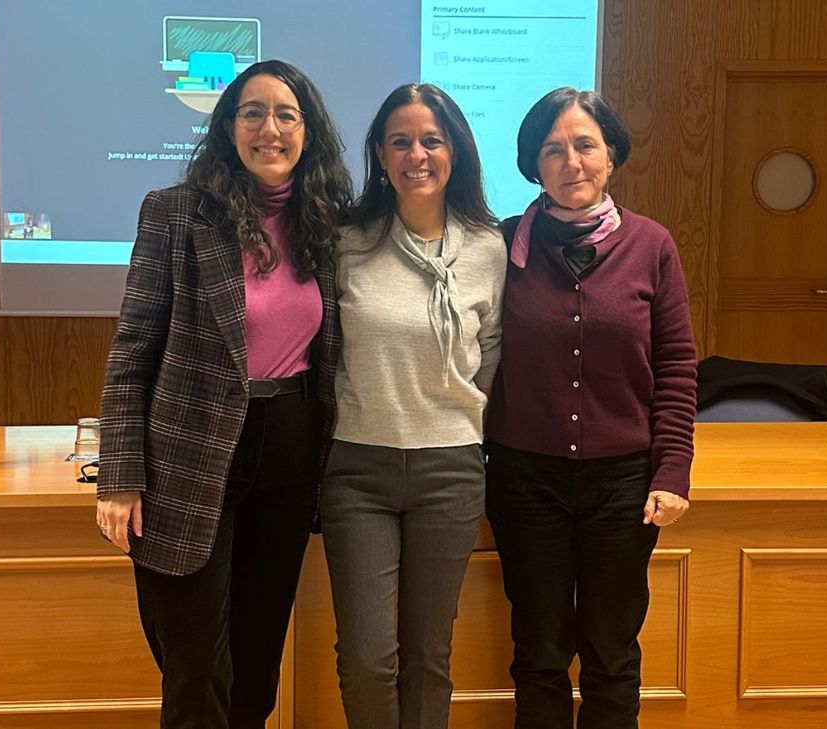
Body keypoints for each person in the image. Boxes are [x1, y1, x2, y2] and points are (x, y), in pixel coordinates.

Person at [95, 60, 351, 729]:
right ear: (228, 126)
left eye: (287, 114)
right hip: (187, 457)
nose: (270, 128)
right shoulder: (175, 213)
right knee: (198, 669)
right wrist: (118, 479)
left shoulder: (323, 221)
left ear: (309, 130)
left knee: (257, 662)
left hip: (289, 452)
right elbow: (132, 351)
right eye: (253, 112)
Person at [484, 88, 697, 729]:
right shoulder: (501, 247)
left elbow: (678, 367)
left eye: (585, 145)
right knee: (540, 653)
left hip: (624, 484)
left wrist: (672, 470)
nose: (571, 161)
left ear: (611, 157)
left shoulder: (652, 246)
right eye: (554, 150)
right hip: (526, 479)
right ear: (533, 164)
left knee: (611, 652)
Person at [319, 83, 506, 729]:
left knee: (430, 652)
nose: (416, 154)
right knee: (369, 655)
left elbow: (496, 354)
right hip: (357, 469)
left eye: (432, 139)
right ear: (379, 152)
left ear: (455, 149)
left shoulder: (488, 246)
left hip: (450, 470)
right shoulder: (347, 239)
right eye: (400, 141)